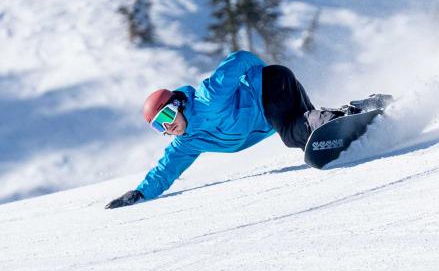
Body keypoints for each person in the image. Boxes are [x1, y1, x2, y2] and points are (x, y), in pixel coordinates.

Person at [105, 50, 388, 208]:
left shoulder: (207, 97)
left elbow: (239, 58)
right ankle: (362, 112)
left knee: (292, 133)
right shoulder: (188, 142)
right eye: (160, 127)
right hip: (271, 102)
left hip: (269, 85)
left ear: (177, 103)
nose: (169, 126)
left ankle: (351, 116)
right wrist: (140, 194)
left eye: (167, 115)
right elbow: (165, 169)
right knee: (306, 131)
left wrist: (259, 74)